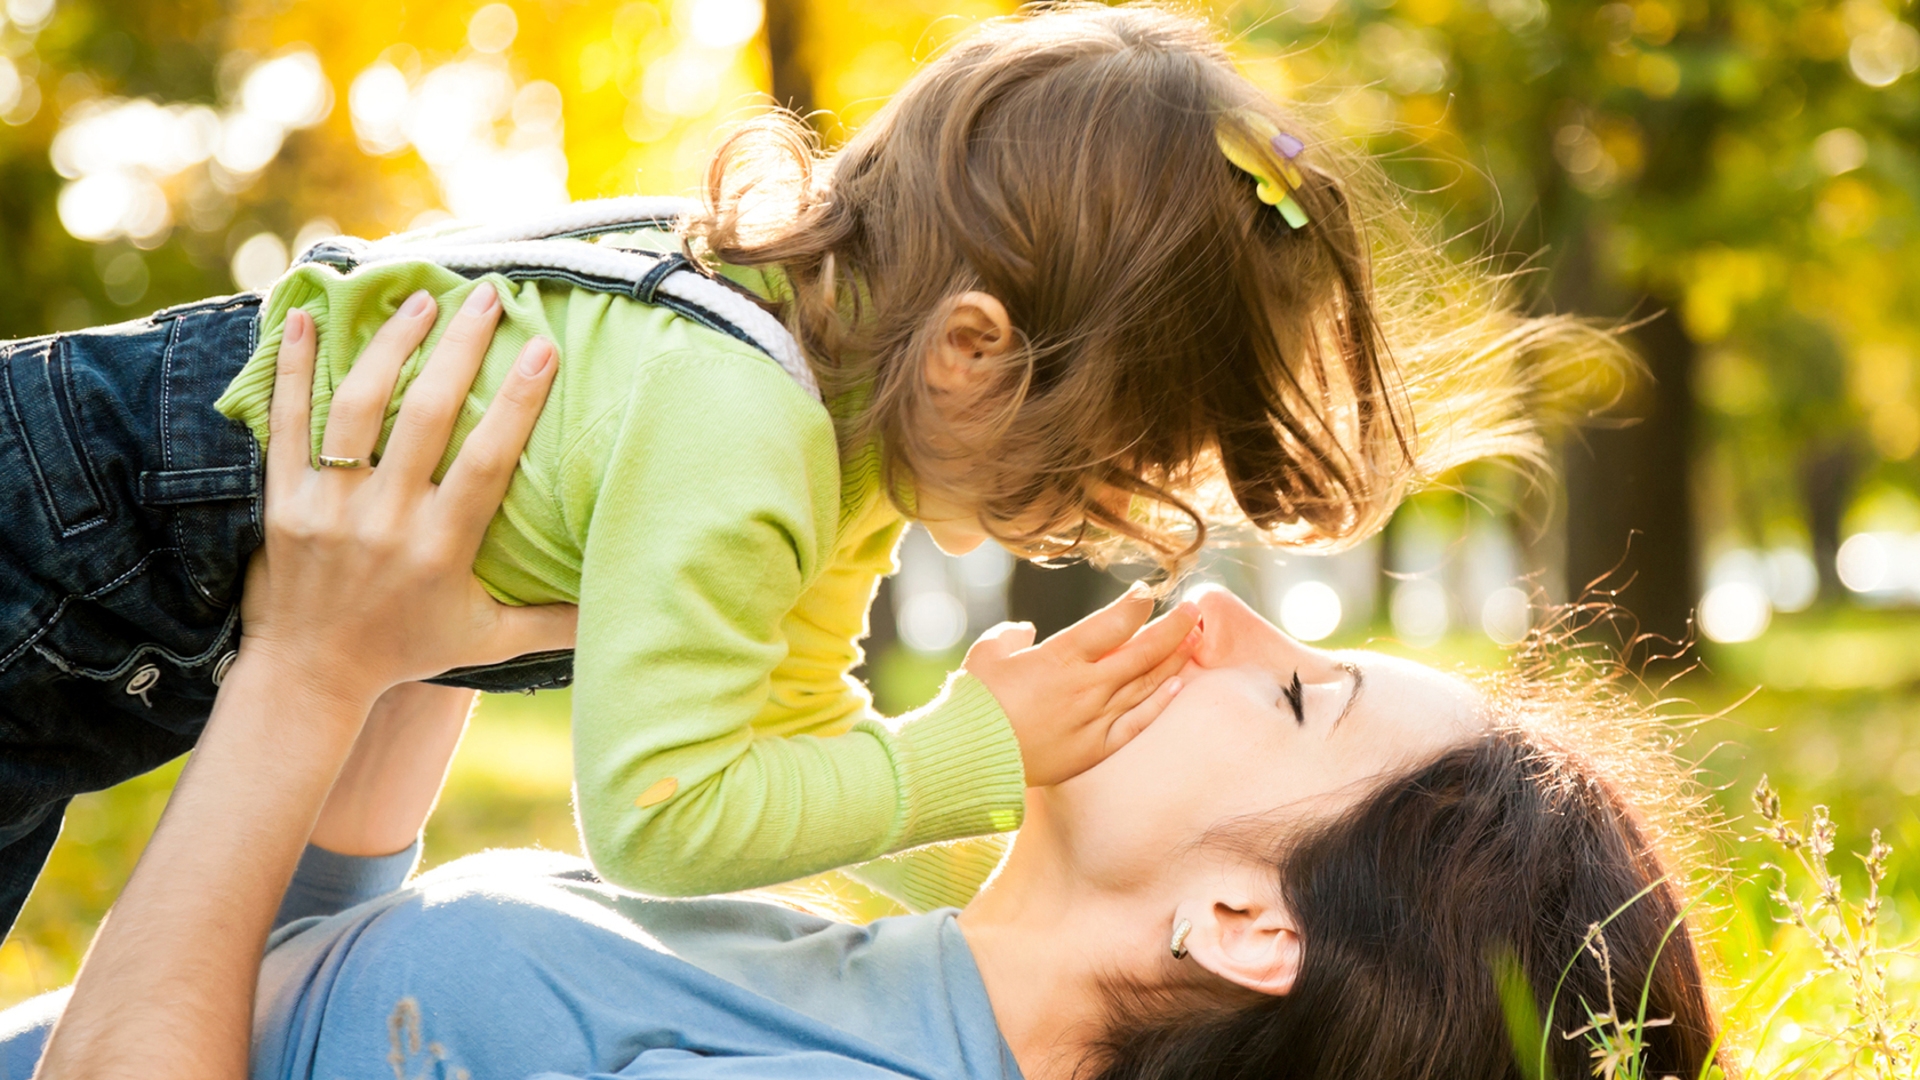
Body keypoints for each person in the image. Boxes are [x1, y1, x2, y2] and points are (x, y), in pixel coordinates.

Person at [0, 2, 1609, 937]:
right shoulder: (741, 426)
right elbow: (658, 814)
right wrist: (971, 755)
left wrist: (986, 886)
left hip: (102, 617)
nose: (1101, 525)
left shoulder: (838, 417)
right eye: (1105, 464)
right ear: (976, 348)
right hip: (44, 550)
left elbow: (792, 723)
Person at [0, 305, 1719, 1080]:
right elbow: (327, 1009)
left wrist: (303, 669)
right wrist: (460, 603)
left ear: (1243, 924)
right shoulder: (822, 966)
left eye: (1295, 702)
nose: (1213, 620)